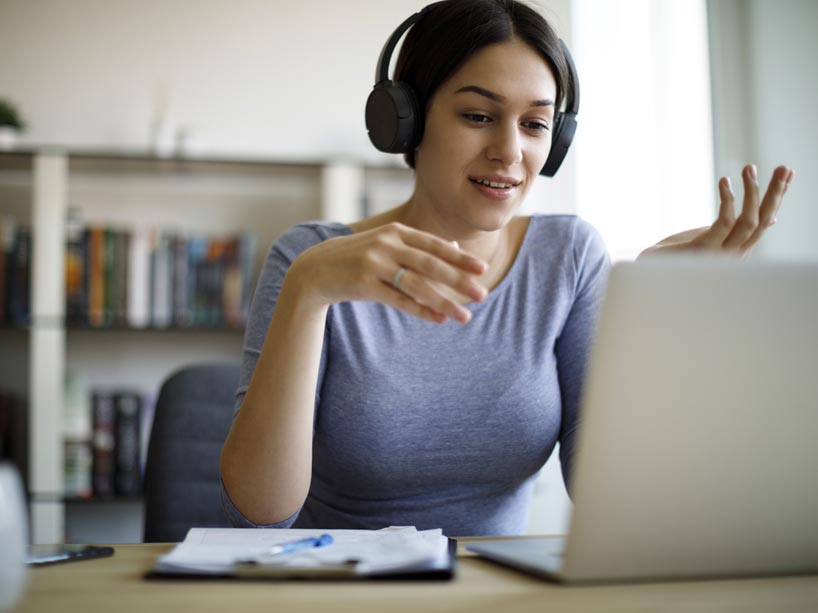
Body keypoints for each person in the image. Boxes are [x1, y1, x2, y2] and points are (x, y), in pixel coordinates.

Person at [219, 0, 795, 536]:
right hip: (343, 589)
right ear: (407, 121)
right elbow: (263, 507)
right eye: (477, 115)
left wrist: (651, 324)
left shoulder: (568, 257)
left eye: (535, 124)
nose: (511, 151)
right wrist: (309, 291)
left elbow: (611, 498)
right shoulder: (310, 261)